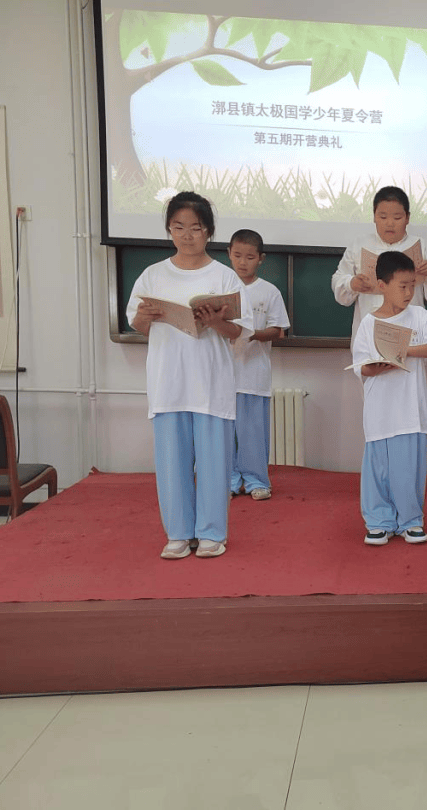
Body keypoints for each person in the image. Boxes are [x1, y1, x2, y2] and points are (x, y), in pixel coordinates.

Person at [126, 191, 253, 560]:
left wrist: (217, 321)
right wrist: (145, 318)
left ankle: (211, 533)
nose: (187, 235)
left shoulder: (224, 276)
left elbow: (240, 333)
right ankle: (179, 533)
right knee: (172, 462)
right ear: (169, 230)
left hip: (211, 382)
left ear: (208, 232)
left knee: (215, 461)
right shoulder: (152, 276)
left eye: (195, 228)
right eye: (178, 227)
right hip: (169, 382)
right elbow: (137, 325)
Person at [351, 250, 427, 545]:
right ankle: (379, 520)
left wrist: (405, 351)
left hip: (411, 411)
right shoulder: (368, 323)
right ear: (382, 285)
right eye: (402, 286)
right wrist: (380, 364)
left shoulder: (420, 316)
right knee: (378, 467)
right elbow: (362, 367)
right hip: (380, 411)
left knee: (409, 468)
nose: (408, 292)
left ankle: (410, 520)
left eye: (412, 286)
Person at [331, 186, 427, 339]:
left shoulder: (421, 246)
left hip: (410, 333)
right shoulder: (359, 245)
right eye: (383, 217)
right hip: (370, 332)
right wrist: (351, 283)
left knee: (410, 360)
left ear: (407, 218)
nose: (390, 223)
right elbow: (339, 281)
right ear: (374, 216)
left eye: (397, 218)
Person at [227, 229, 289, 501]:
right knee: (224, 433)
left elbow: (279, 330)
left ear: (260, 259)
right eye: (237, 255)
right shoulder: (220, 287)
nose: (243, 262)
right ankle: (227, 480)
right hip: (222, 375)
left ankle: (256, 481)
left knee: (253, 432)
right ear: (229, 254)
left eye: (249, 257)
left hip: (254, 373)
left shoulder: (269, 291)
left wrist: (253, 334)